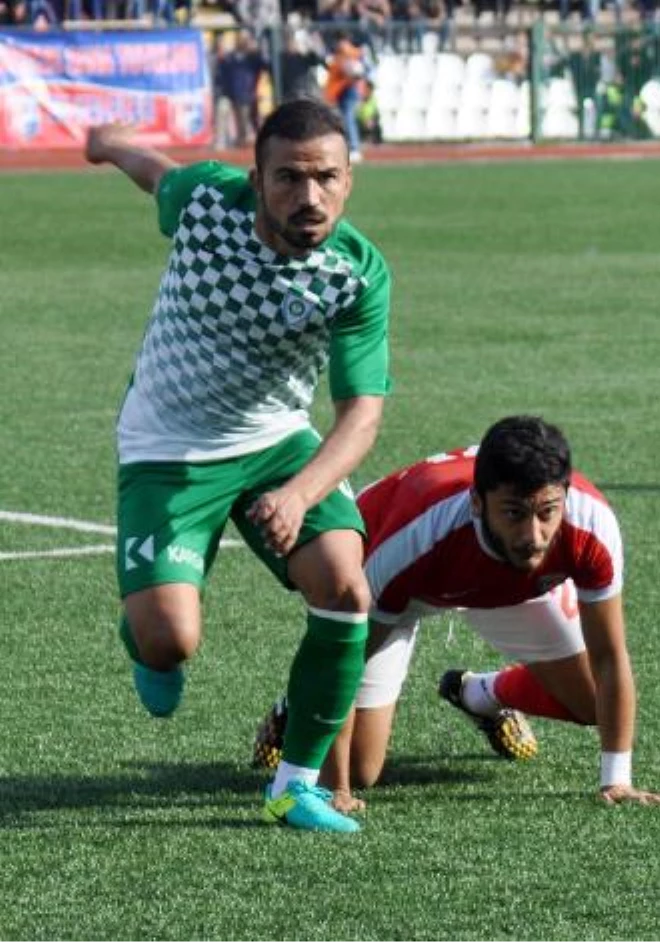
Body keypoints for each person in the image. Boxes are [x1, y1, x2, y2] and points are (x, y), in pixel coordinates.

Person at [84, 97, 393, 834]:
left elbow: (361, 416)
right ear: (255, 180)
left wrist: (299, 492)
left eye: (326, 177)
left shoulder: (357, 273)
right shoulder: (205, 202)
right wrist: (110, 143)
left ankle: (295, 785)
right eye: (287, 178)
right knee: (169, 639)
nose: (308, 196)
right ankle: (148, 645)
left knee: (347, 588)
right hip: (170, 443)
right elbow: (155, 173)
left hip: (276, 441)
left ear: (350, 179)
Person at [252, 416, 660, 811]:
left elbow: (609, 655)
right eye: (514, 513)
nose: (534, 535)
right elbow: (346, 657)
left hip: (514, 587)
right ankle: (299, 703)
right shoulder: (415, 539)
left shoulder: (592, 525)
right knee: (362, 771)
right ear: (477, 503)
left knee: (593, 704)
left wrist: (616, 781)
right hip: (401, 589)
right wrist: (335, 789)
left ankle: (480, 694)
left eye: (548, 512)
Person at [325, 32, 367, 163]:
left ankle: (354, 148)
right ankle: (349, 147)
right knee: (344, 119)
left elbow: (357, 72)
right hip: (342, 91)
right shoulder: (342, 56)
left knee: (348, 118)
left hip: (349, 90)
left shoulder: (350, 54)